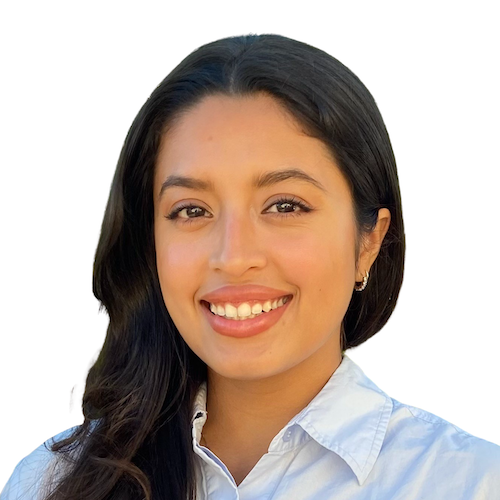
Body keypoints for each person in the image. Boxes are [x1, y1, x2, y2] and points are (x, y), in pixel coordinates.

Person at [1, 33, 499, 500]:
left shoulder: (469, 483)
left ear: (368, 241)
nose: (234, 256)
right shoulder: (51, 483)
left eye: (284, 206)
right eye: (191, 211)